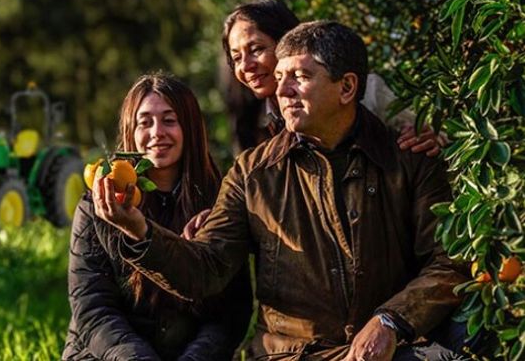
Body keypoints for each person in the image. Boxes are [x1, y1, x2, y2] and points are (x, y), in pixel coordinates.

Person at [92, 22, 470, 360]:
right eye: (280, 75)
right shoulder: (252, 172)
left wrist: (391, 321)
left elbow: (448, 262)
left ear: (347, 87)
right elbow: (205, 270)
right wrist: (139, 231)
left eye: (300, 76)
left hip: (391, 350)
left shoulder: (409, 159)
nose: (282, 90)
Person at [62, 73, 252, 361]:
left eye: (169, 120)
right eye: (145, 122)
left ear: (189, 127)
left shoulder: (221, 202)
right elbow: (92, 309)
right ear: (130, 130)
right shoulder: (98, 205)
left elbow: (231, 313)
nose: (156, 132)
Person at [221, 0, 441, 155]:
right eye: (237, 57)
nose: (246, 66)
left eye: (256, 49)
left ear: (288, 41)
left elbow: (426, 139)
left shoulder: (368, 92)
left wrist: (430, 139)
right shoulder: (251, 120)